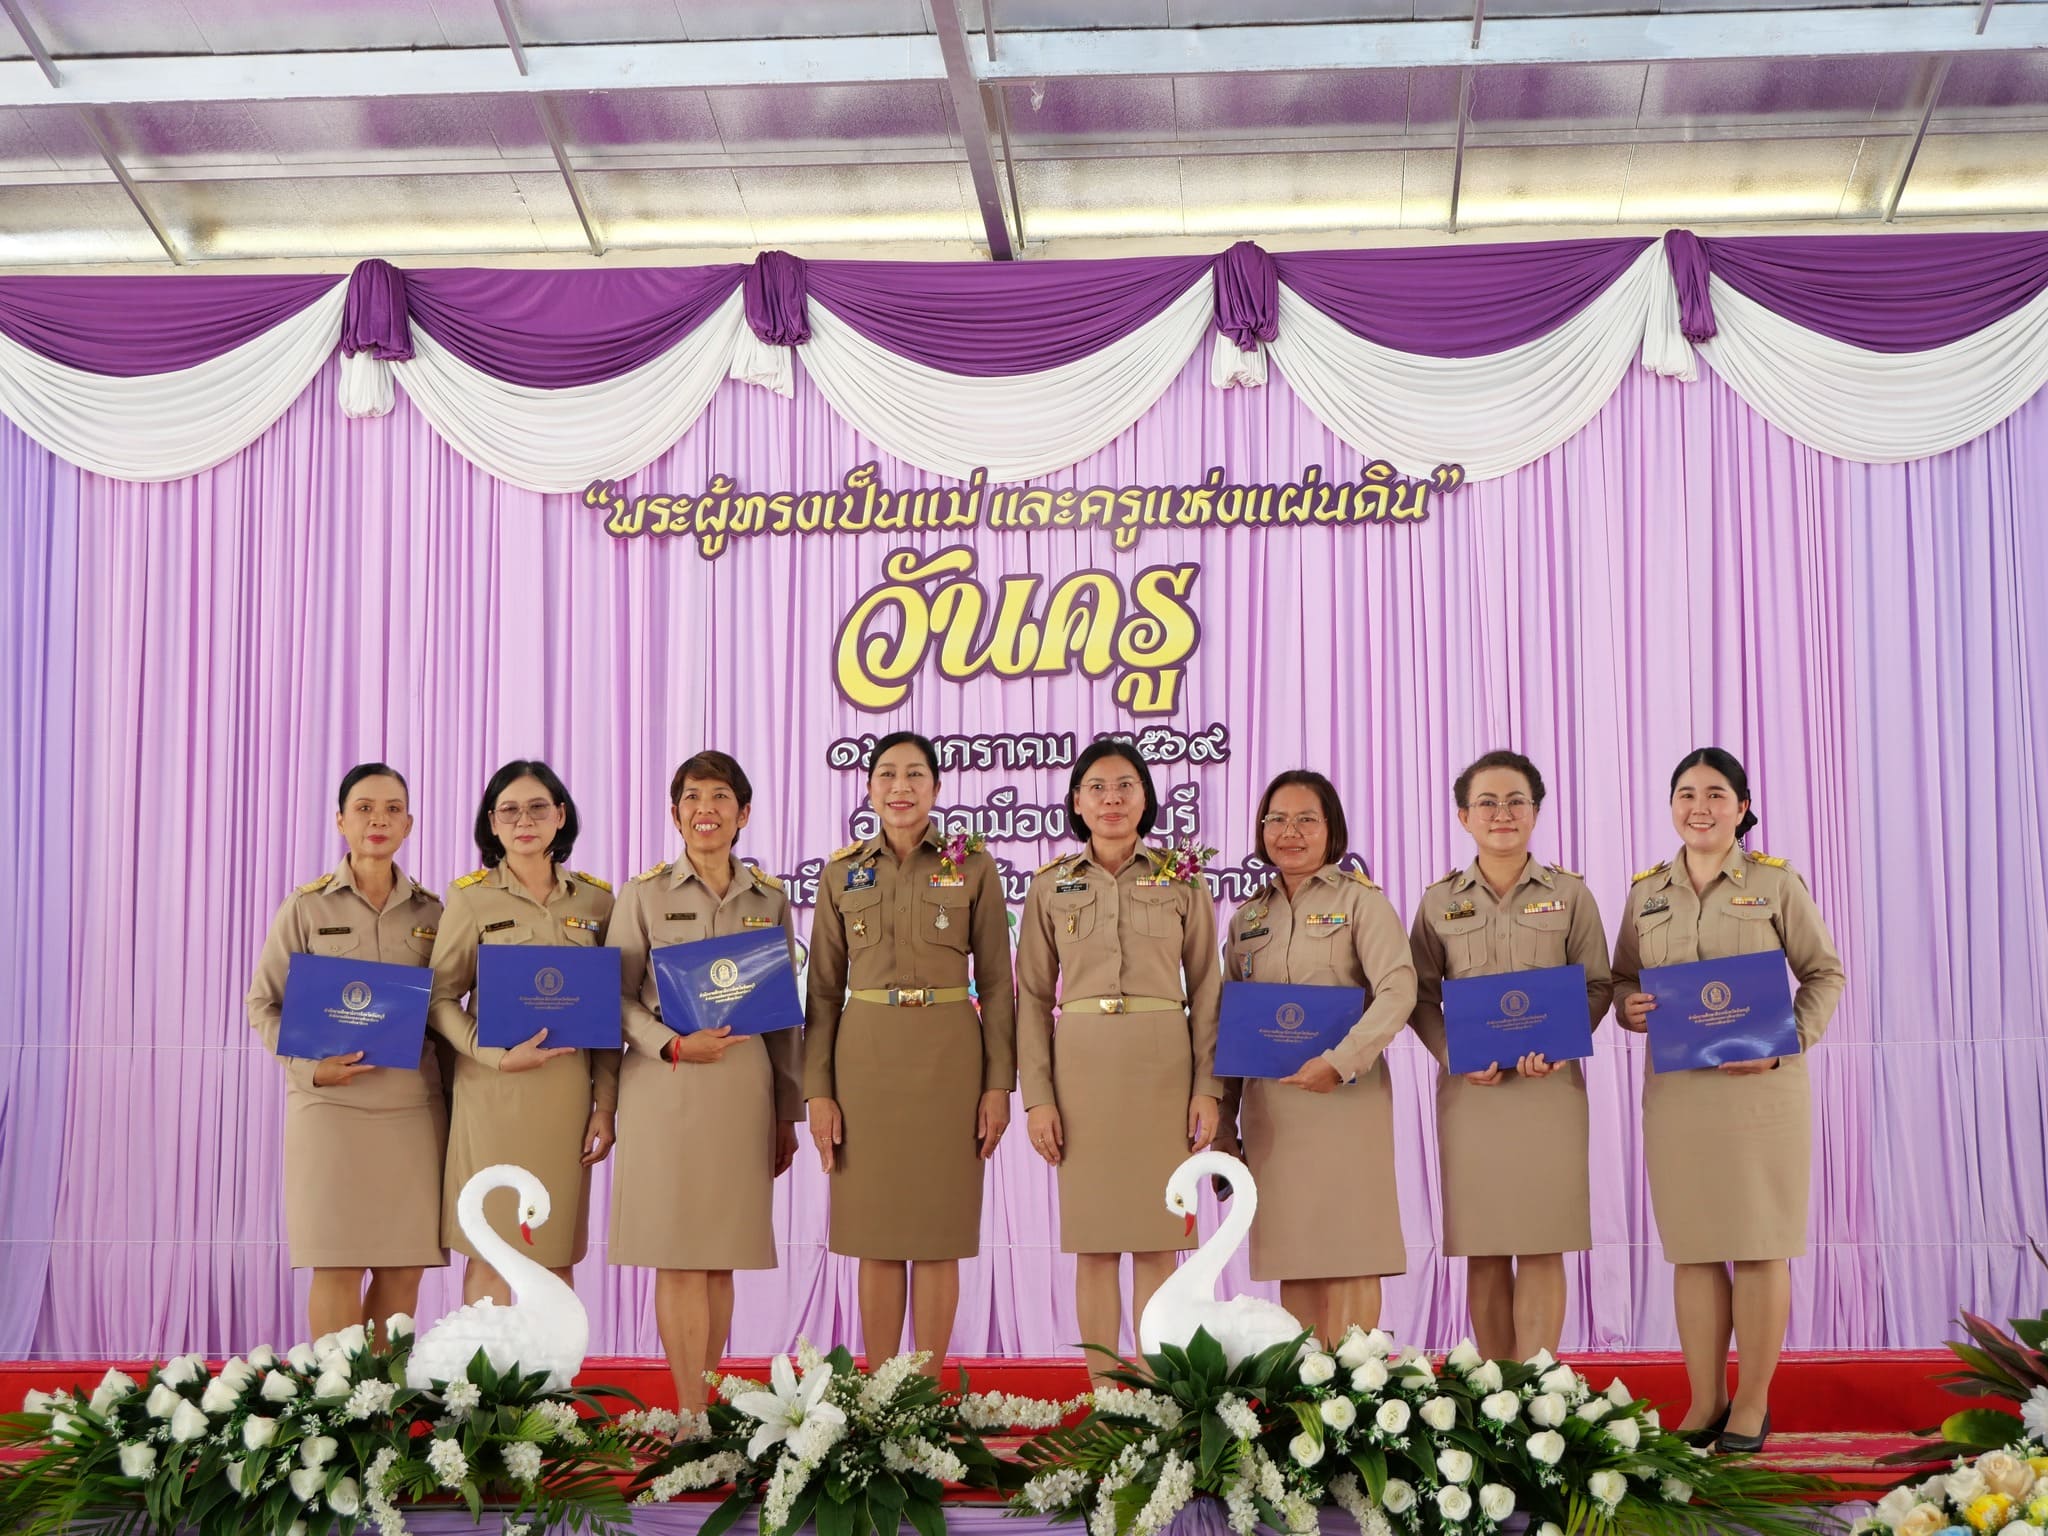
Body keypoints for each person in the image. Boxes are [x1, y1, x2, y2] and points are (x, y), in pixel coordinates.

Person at [1612, 747, 1845, 1453]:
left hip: (1761, 1093)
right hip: (1679, 1095)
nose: (1700, 807)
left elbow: (1824, 974)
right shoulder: (1646, 892)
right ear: (1671, 806)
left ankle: (1751, 1403)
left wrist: (1785, 1043)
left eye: (1716, 794)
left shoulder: (1775, 883)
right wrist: (1630, 1007)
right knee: (1694, 1248)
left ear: (1742, 808)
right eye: (1686, 794)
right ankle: (1705, 1400)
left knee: (1759, 1246)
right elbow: (1622, 980)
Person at [803, 732, 1014, 1376]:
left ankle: (923, 1393)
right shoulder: (841, 872)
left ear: (936, 787)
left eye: (915, 774)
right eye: (888, 774)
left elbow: (998, 984)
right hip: (864, 1061)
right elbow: (822, 991)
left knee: (939, 1234)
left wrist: (998, 1085)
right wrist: (819, 1091)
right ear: (868, 788)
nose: (901, 786)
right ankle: (880, 1392)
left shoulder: (973, 866)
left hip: (951, 1059)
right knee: (877, 1234)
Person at [1017, 739, 1223, 1383]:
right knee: (1096, 1245)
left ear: (1146, 798)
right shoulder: (1049, 885)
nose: (1112, 799)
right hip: (1082, 1071)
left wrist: (1208, 1086)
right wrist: (1038, 1098)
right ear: (1077, 802)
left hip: (1164, 1068)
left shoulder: (1181, 878)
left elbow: (1208, 988)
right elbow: (1030, 997)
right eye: (1098, 787)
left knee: (1159, 1240)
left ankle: (1157, 1393)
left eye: (1126, 786)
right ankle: (1106, 1395)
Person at [610, 751, 803, 1415]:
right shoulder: (644, 894)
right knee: (678, 1254)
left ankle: (708, 1406)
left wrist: (786, 1113)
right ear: (675, 813)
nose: (705, 810)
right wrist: (670, 1043)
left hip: (742, 1094)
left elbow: (784, 1018)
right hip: (665, 1087)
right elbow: (615, 998)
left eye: (720, 797)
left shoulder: (769, 899)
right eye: (692, 797)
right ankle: (689, 1413)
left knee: (720, 1256)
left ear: (743, 813)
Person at [1408, 750, 1612, 1361]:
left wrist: (1563, 1042)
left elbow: (1598, 985)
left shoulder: (1570, 894)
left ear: (1536, 811)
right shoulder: (1438, 902)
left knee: (1544, 1240)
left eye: (1516, 801)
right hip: (1472, 1094)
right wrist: (1453, 1054)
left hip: (1549, 1091)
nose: (1502, 813)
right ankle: (1495, 1390)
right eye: (1487, 803)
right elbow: (1418, 995)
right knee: (1486, 1244)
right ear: (1464, 816)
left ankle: (1538, 1386)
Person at [246, 762, 446, 1341]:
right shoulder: (306, 907)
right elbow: (263, 1002)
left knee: (404, 1264)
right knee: (337, 1262)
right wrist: (311, 1069)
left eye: (391, 809)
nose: (378, 820)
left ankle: (381, 1393)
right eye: (364, 808)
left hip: (411, 1109)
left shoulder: (434, 913)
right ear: (340, 821)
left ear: (409, 824)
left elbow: (449, 1005)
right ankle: (338, 1395)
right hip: (329, 1108)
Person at [1217, 769, 1415, 1343]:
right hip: (1273, 1115)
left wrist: (1341, 1060)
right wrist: (1225, 1127)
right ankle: (1306, 1386)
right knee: (1294, 1254)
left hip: (1345, 1102)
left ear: (1332, 829)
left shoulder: (1362, 902)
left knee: (1352, 1251)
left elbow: (1398, 990)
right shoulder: (1247, 918)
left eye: (1307, 819)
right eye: (1277, 819)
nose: (1290, 832)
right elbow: (1230, 1026)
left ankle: (1350, 1386)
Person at [428, 759, 619, 1305]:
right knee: (492, 1249)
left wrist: (605, 1104)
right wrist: (491, 1054)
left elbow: (610, 1014)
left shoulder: (597, 901)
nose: (524, 820)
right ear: (492, 823)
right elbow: (440, 998)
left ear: (561, 815)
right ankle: (482, 1367)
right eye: (509, 810)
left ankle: (551, 1365)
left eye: (538, 807)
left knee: (553, 1252)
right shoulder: (470, 898)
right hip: (492, 1095)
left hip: (566, 1099)